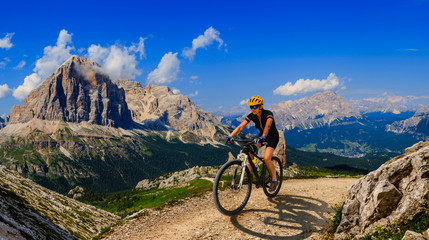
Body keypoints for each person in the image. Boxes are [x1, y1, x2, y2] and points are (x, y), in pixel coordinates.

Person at [226, 95, 280, 191]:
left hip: (272, 137)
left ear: (260, 106)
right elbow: (240, 127)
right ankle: (250, 172)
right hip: (261, 136)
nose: (253, 109)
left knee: (267, 158)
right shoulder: (252, 116)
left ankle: (274, 179)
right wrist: (230, 136)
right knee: (249, 149)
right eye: (251, 107)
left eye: (255, 106)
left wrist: (263, 136)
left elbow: (267, 126)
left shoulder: (268, 114)